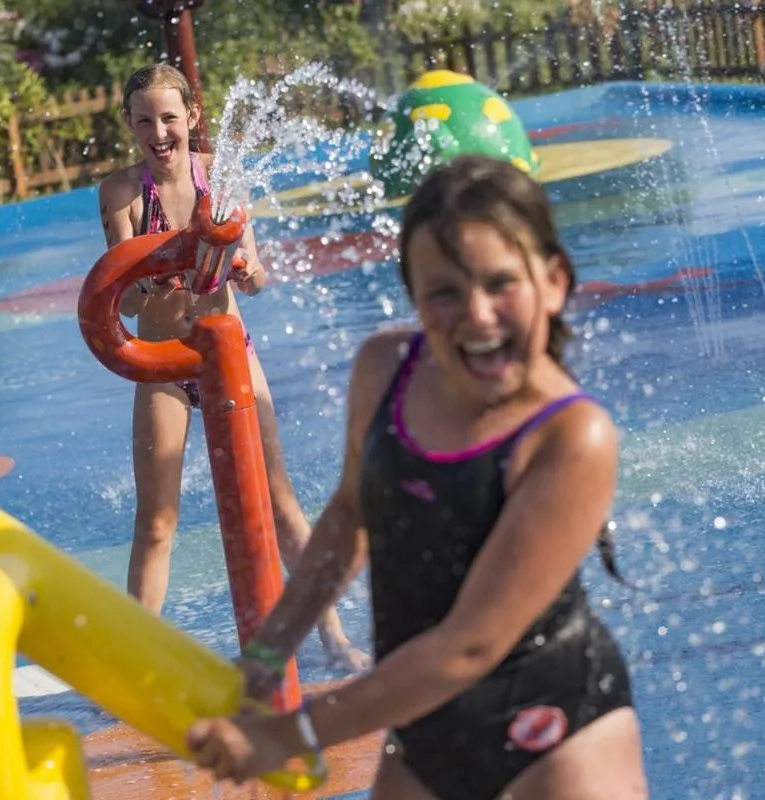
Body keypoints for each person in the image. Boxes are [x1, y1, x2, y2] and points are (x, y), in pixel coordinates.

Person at [185, 155, 649, 799]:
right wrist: (267, 656)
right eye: (445, 292)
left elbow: (468, 647)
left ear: (554, 281)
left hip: (559, 734)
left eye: (500, 284)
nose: (478, 315)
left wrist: (289, 734)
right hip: (426, 728)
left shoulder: (571, 436)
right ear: (414, 297)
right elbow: (350, 518)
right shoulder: (385, 372)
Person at [97, 63, 368, 670]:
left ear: (191, 115)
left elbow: (256, 276)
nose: (159, 132)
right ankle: (138, 664)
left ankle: (334, 637)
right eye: (145, 121)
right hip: (163, 364)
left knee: (279, 501)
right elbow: (123, 292)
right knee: (158, 520)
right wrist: (153, 277)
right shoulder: (120, 195)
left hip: (229, 356)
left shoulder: (222, 174)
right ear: (130, 125)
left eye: (169, 118)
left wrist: (246, 271)